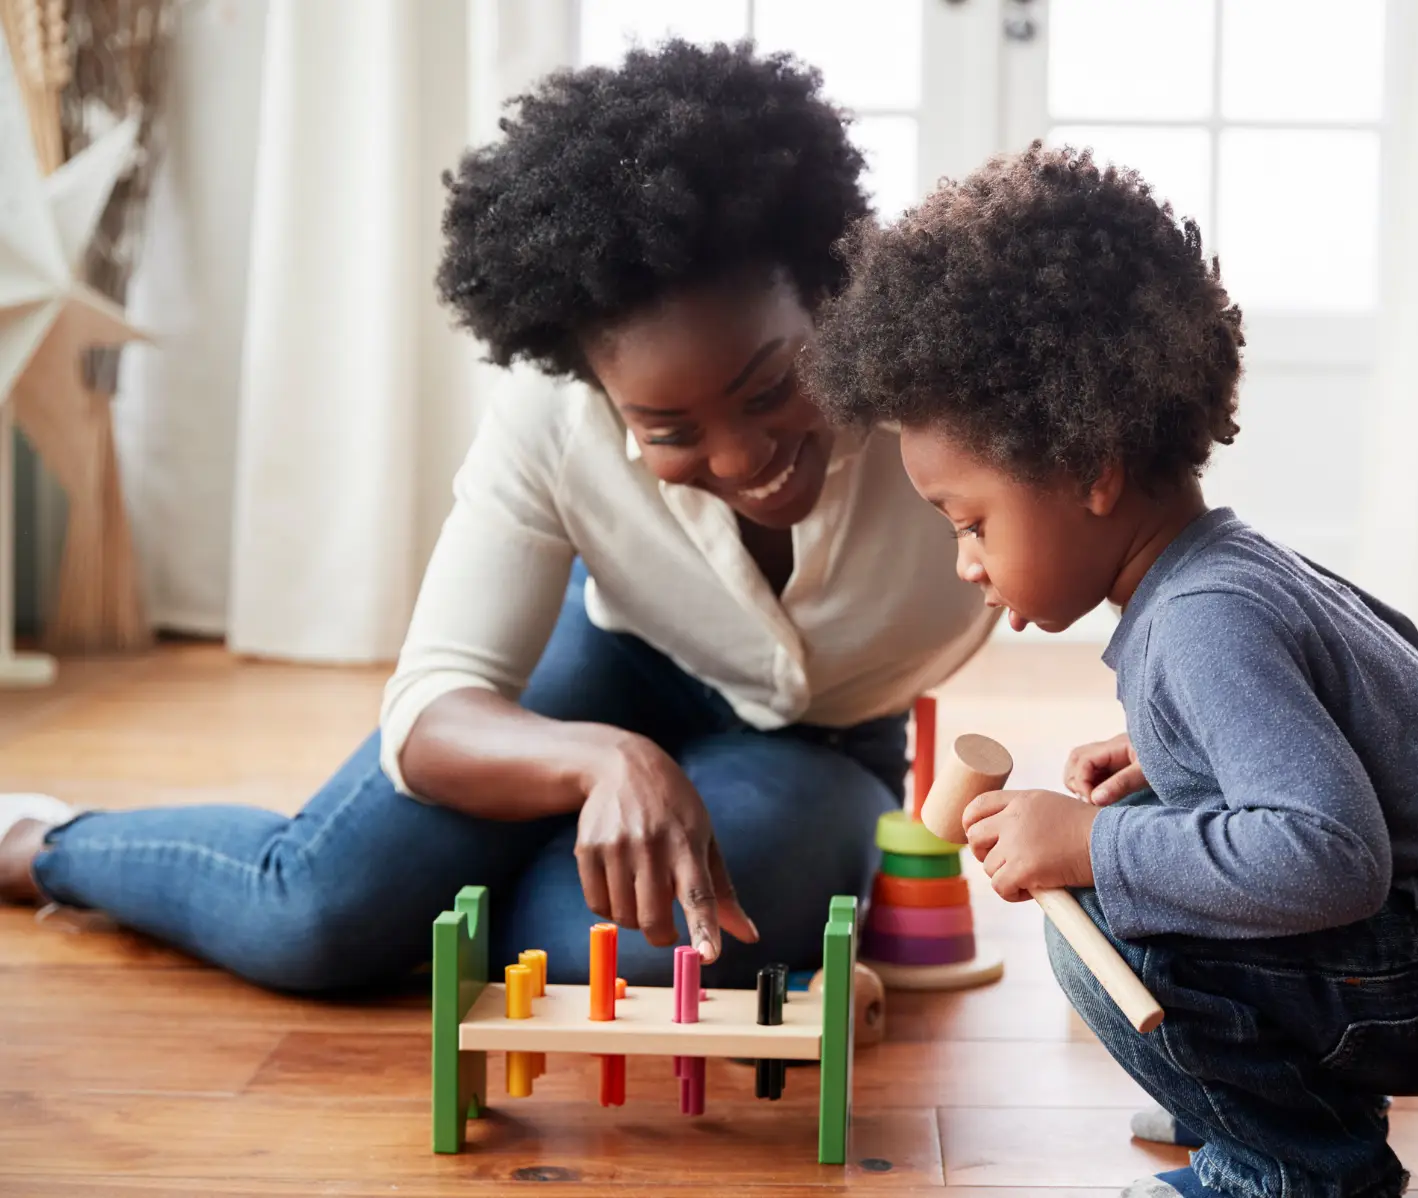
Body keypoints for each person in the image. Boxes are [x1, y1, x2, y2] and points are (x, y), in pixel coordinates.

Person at [0, 41, 995, 991]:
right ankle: (42, 844)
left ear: (831, 295)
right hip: (620, 659)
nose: (739, 460)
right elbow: (435, 706)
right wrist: (601, 759)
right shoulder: (550, 415)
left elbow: (1126, 542)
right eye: (665, 424)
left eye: (772, 386)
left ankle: (457, 886)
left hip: (818, 740)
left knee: (616, 955)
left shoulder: (957, 381)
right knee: (309, 916)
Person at [805, 143, 1418, 1198]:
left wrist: (1090, 838)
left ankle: (1295, 1168)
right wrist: (1188, 758)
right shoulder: (1238, 567)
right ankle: (1265, 1098)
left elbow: (1332, 857)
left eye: (969, 520)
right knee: (1142, 888)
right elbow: (1393, 691)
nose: (964, 559)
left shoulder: (1204, 620)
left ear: (1088, 469)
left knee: (1109, 938)